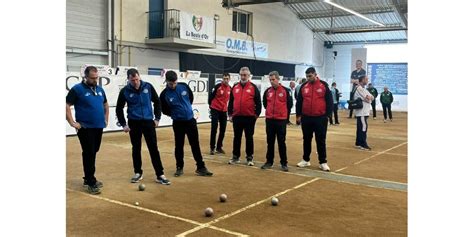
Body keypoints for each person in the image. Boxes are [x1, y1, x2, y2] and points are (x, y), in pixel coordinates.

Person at [116, 69, 170, 185]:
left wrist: (157, 118)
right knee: (136, 148)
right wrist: (123, 124)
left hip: (148, 122)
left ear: (139, 77)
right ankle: (138, 172)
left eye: (136, 79)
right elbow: (119, 108)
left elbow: (157, 102)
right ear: (128, 79)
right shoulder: (125, 91)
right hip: (134, 123)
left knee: (153, 148)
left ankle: (160, 174)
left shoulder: (148, 87)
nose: (135, 82)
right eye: (132, 80)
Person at [160, 70, 213, 177]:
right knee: (179, 146)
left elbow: (191, 98)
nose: (173, 85)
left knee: (195, 145)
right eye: (171, 83)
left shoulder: (183, 86)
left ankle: (200, 167)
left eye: (175, 83)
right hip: (178, 123)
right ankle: (179, 167)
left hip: (190, 121)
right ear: (166, 81)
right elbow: (164, 110)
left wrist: (186, 110)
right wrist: (176, 114)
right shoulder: (164, 94)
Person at [66, 66, 109, 194]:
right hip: (85, 127)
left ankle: (88, 178)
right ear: (85, 77)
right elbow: (66, 105)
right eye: (92, 78)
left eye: (97, 77)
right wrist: (72, 122)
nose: (95, 80)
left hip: (98, 126)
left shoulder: (100, 89)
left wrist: (106, 119)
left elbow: (105, 105)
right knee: (89, 152)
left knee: (94, 151)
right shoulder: (77, 89)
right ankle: (90, 181)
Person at [295, 67, 333, 171]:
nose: (308, 78)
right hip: (306, 118)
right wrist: (298, 116)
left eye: (310, 76)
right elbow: (299, 102)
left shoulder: (323, 85)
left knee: (320, 140)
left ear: (315, 74)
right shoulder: (304, 86)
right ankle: (305, 160)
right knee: (306, 139)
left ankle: (323, 162)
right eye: (307, 76)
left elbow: (329, 101)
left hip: (320, 118)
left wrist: (328, 116)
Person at [228, 67, 262, 166]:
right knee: (237, 137)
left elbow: (258, 103)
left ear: (248, 76)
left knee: (249, 138)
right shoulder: (235, 87)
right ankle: (235, 157)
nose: (243, 77)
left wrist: (256, 115)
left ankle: (249, 157)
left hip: (249, 118)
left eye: (245, 75)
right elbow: (231, 102)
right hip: (237, 117)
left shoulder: (253, 87)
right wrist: (230, 114)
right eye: (242, 75)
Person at [261, 71, 293, 172]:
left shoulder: (285, 91)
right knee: (270, 142)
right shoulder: (268, 91)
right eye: (270, 80)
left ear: (278, 79)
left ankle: (284, 163)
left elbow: (289, 105)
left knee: (281, 142)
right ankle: (269, 161)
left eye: (273, 79)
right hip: (270, 120)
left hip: (281, 121)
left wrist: (283, 116)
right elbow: (265, 104)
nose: (271, 81)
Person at [208, 73, 231, 155]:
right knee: (214, 128)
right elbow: (210, 97)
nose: (225, 80)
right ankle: (212, 148)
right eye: (224, 78)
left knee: (223, 130)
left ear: (229, 79)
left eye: (227, 78)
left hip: (224, 111)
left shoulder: (230, 88)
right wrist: (211, 106)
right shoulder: (217, 87)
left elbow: (230, 101)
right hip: (215, 109)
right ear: (222, 79)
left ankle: (219, 147)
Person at [354, 76, 374, 150]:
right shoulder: (359, 88)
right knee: (363, 127)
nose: (367, 80)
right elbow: (367, 99)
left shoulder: (364, 89)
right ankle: (363, 144)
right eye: (366, 79)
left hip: (364, 112)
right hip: (361, 112)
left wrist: (369, 98)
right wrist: (369, 99)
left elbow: (372, 97)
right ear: (362, 80)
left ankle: (358, 142)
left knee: (360, 127)